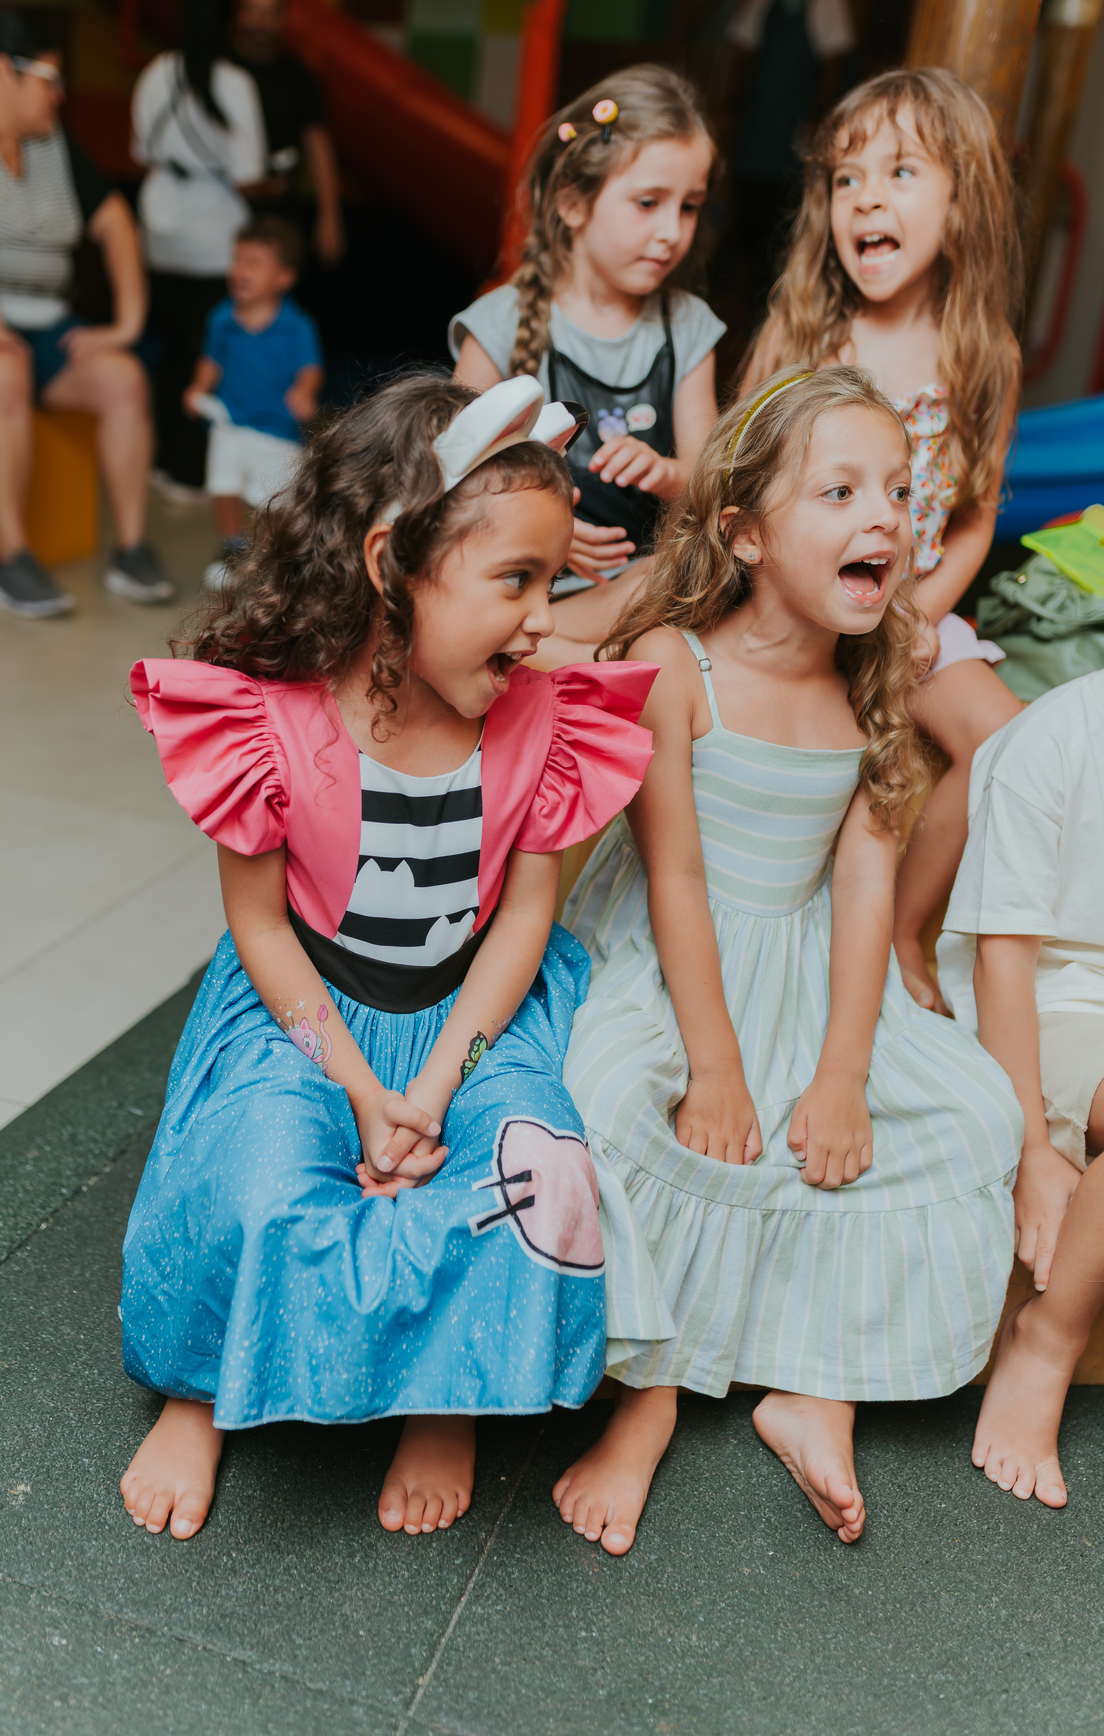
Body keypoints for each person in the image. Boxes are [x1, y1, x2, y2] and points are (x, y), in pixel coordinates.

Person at [117, 372, 657, 1542]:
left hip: (476, 1015)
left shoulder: (546, 716)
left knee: (533, 1190)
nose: (541, 618)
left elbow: (523, 920)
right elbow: (261, 928)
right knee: (256, 1186)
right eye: (514, 579)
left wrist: (435, 1085)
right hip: (302, 1012)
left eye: (554, 582)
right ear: (388, 563)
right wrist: (361, 1089)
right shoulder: (264, 719)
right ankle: (203, 1388)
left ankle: (447, 1393)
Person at [551, 367, 1023, 1556]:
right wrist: (714, 1062)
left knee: (972, 1120)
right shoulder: (676, 663)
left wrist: (844, 1071)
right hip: (677, 949)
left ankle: (818, 1390)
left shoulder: (874, 690)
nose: (887, 517)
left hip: (809, 960)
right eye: (843, 491)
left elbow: (863, 891)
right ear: (747, 532)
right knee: (613, 1108)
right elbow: (675, 878)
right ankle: (648, 1395)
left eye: (899, 494)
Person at [744, 68, 1025, 1012]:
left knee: (1006, 742)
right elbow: (741, 486)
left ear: (962, 201)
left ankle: (905, 928)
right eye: (846, 178)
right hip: (804, 604)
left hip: (917, 607)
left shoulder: (982, 352)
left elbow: (978, 513)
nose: (865, 196)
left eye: (901, 172)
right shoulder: (804, 338)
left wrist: (918, 618)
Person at [0, 6, 172, 616]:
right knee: (4, 367)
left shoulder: (55, 145)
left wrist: (126, 325)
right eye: (49, 79)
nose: (60, 95)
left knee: (124, 377)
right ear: (4, 71)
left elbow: (117, 224)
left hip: (37, 315)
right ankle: (11, 560)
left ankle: (131, 551)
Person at [451, 64, 723, 652]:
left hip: (638, 586)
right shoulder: (500, 323)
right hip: (522, 580)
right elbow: (452, 476)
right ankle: (577, 658)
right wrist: (549, 535)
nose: (672, 232)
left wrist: (667, 473)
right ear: (574, 204)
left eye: (689, 207)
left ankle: (548, 659)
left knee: (683, 579)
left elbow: (709, 478)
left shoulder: (690, 327)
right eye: (648, 202)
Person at [931, 671, 1104, 1506]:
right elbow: (1006, 960)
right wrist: (1032, 1144)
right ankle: (1046, 1338)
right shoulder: (1059, 733)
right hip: (1057, 1002)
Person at [132, 0, 267, 491]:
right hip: (214, 238)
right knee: (208, 355)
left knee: (164, 352)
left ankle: (161, 460)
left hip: (160, 228)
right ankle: (194, 469)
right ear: (228, 21)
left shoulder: (153, 74)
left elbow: (138, 153)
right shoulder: (235, 84)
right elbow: (249, 177)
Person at [184, 215, 323, 590]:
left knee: (273, 502)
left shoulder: (297, 326)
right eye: (237, 260)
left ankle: (270, 558)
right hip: (228, 422)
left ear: (283, 278)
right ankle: (232, 547)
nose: (239, 270)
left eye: (254, 263)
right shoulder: (222, 318)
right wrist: (198, 387)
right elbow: (210, 361)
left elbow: (311, 369)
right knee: (222, 485)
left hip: (277, 431)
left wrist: (305, 391)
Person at [721, 0, 855, 321]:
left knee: (788, 228)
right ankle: (747, 315)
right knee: (750, 224)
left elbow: (834, 66)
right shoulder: (762, 1)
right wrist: (728, 114)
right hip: (757, 133)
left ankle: (779, 316)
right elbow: (740, 61)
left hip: (796, 136)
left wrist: (817, 118)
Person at [230, 0, 345, 269]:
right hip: (222, 207)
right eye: (253, 11)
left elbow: (318, 146)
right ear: (240, 14)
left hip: (280, 216)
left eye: (269, 13)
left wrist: (329, 216)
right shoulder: (219, 69)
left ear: (283, 18)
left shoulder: (299, 77)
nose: (260, 22)